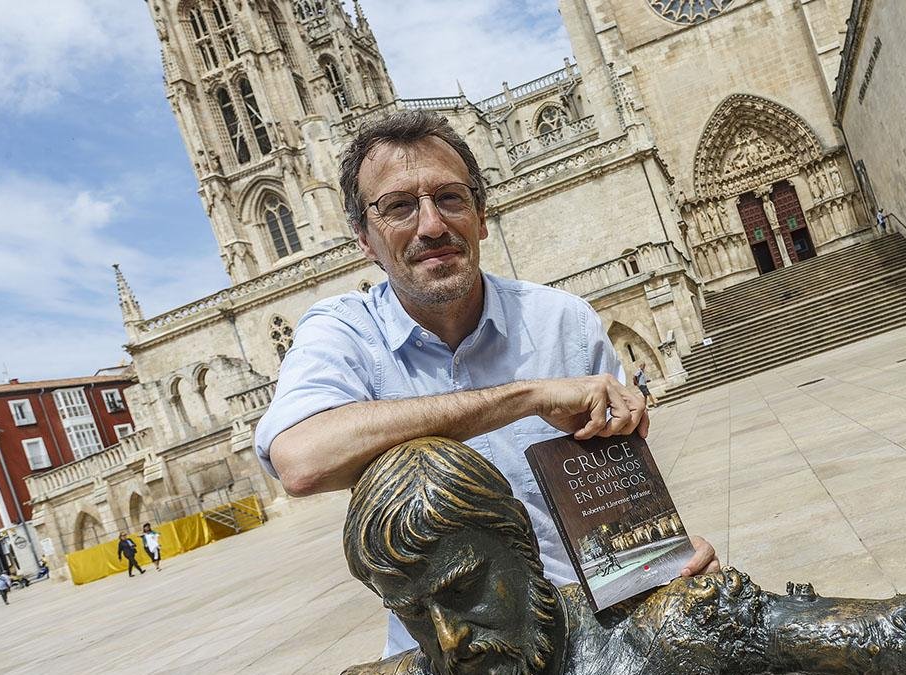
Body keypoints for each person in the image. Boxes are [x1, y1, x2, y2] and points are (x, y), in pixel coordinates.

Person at [254, 110, 719, 657]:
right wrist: (527, 396)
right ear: (365, 239)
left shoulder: (562, 322)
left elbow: (617, 503)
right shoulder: (344, 332)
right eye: (399, 207)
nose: (431, 226)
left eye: (450, 199)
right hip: (455, 654)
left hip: (593, 636)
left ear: (481, 215)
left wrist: (664, 563)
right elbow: (300, 461)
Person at [343, 437, 906, 675]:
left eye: (463, 589)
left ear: (521, 547)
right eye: (413, 613)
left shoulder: (668, 636)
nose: (446, 639)